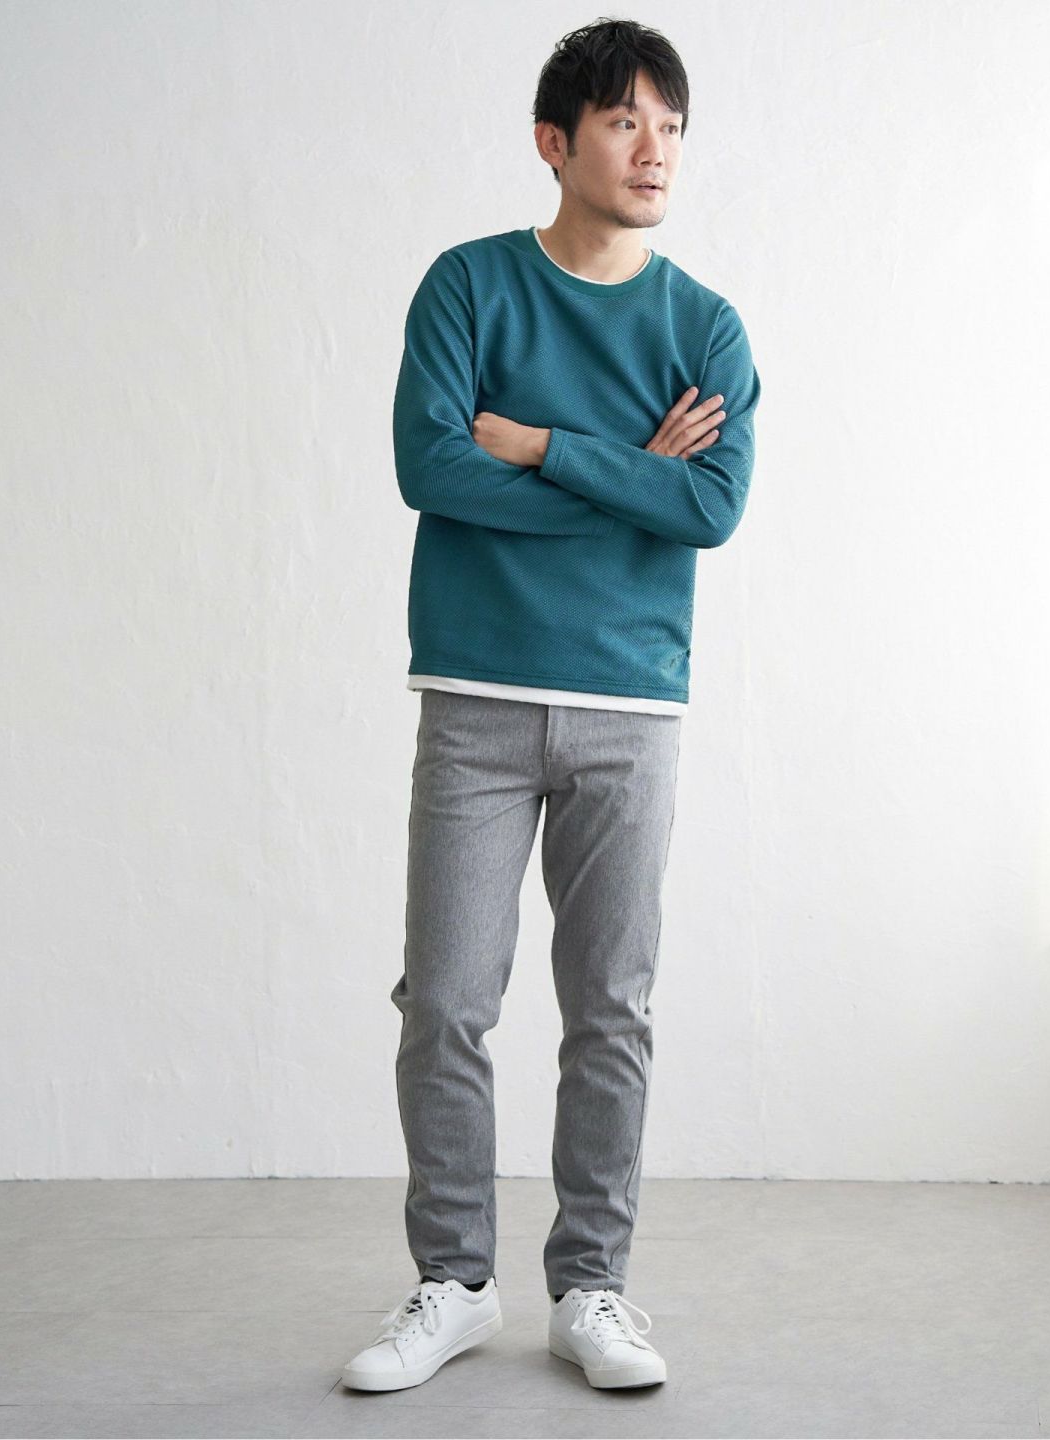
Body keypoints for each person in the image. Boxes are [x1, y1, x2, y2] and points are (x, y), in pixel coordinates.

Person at [342, 16, 761, 1394]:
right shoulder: (468, 287)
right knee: (445, 1002)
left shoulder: (705, 326)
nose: (656, 150)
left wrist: (537, 444)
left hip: (631, 705)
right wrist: (625, 477)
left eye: (672, 126)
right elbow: (430, 470)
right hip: (474, 692)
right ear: (555, 141)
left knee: (611, 1010)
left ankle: (592, 1287)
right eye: (627, 121)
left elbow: (710, 508)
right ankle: (454, 1282)